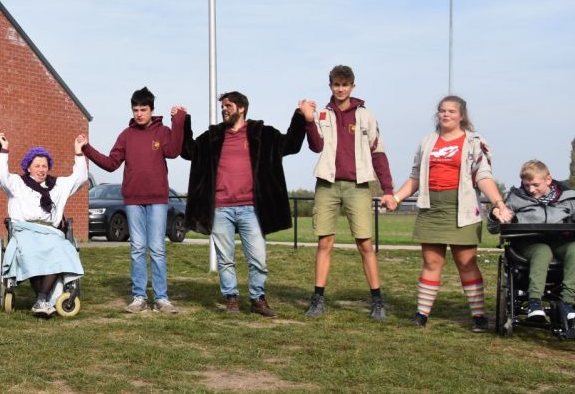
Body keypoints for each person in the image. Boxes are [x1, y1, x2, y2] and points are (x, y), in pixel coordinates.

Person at [180, 91, 311, 318]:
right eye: (222, 106)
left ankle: (257, 299)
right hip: (221, 207)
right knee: (225, 259)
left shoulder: (263, 134)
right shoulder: (212, 137)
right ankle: (231, 299)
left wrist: (300, 116)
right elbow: (188, 151)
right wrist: (183, 121)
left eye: (228, 106)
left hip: (252, 208)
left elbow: (291, 144)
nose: (224, 109)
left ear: (242, 108)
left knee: (258, 258)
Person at [390, 95, 511, 332]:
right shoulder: (427, 142)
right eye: (442, 111)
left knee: (466, 263)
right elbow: (415, 177)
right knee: (431, 261)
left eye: (451, 111)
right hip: (431, 208)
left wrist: (498, 202)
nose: (445, 115)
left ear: (462, 115)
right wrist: (396, 198)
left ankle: (478, 316)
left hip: (462, 210)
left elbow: (483, 176)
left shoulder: (474, 142)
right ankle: (421, 314)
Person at [302, 65, 396, 320]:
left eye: (345, 84)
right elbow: (315, 146)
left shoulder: (366, 115)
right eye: (336, 84)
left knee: (365, 243)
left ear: (353, 86)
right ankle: (318, 298)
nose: (340, 89)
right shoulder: (322, 114)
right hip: (328, 184)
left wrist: (388, 189)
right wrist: (309, 121)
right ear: (330, 85)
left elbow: (379, 154)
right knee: (324, 242)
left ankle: (377, 301)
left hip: (358, 186)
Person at [80, 87, 186, 313]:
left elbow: (175, 151)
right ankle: (139, 297)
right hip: (133, 200)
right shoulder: (125, 136)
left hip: (158, 199)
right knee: (137, 248)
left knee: (157, 248)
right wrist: (87, 149)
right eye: (135, 109)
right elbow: (111, 163)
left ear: (151, 110)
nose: (139, 113)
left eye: (143, 109)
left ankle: (161, 298)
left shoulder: (163, 132)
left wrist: (178, 121)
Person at [0, 132, 87, 318]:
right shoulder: (18, 183)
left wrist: (79, 152)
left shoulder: (58, 185)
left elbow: (80, 178)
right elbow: (0, 176)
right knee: (31, 252)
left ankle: (41, 299)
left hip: (51, 231)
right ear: (28, 168)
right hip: (25, 229)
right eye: (37, 165)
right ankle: (42, 300)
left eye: (44, 165)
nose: (41, 169)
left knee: (60, 249)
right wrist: (4, 149)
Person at [497, 160, 575, 322]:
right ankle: (535, 303)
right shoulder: (515, 198)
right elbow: (495, 225)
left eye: (535, 184)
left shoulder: (569, 198)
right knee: (542, 250)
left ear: (548, 180)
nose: (531, 190)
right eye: (526, 185)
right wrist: (497, 216)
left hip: (560, 240)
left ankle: (568, 302)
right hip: (527, 243)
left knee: (574, 249)